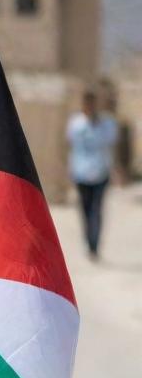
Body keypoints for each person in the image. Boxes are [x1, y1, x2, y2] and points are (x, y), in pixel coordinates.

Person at [67, 89, 118, 260]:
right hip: (81, 173)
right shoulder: (76, 124)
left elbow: (112, 147)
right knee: (85, 211)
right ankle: (89, 241)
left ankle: (94, 246)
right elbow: (70, 146)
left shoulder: (107, 124)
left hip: (101, 173)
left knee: (97, 210)